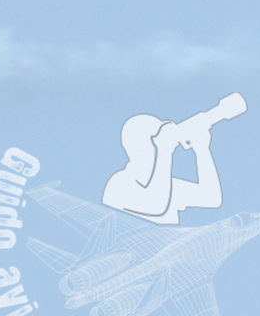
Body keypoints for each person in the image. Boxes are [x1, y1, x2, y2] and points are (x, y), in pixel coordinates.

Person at [101, 92, 247, 224]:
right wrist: (164, 151)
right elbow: (155, 205)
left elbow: (211, 198)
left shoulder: (167, 185)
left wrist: (202, 150)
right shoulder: (119, 184)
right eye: (157, 137)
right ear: (140, 144)